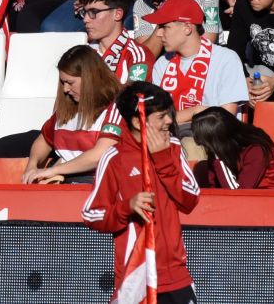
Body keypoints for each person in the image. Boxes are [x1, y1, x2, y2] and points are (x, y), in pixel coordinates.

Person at [82, 82, 203, 304]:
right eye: (161, 116)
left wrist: (164, 161)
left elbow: (191, 200)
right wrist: (126, 207)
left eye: (169, 114)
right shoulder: (114, 158)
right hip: (136, 279)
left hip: (176, 276)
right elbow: (92, 214)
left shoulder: (174, 148)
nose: (169, 121)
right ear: (138, 121)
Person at [144, 0, 249, 124]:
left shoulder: (226, 59)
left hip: (215, 140)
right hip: (172, 139)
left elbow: (225, 116)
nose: (159, 34)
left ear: (187, 27)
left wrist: (176, 119)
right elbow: (157, 119)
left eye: (164, 27)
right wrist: (194, 111)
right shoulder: (162, 63)